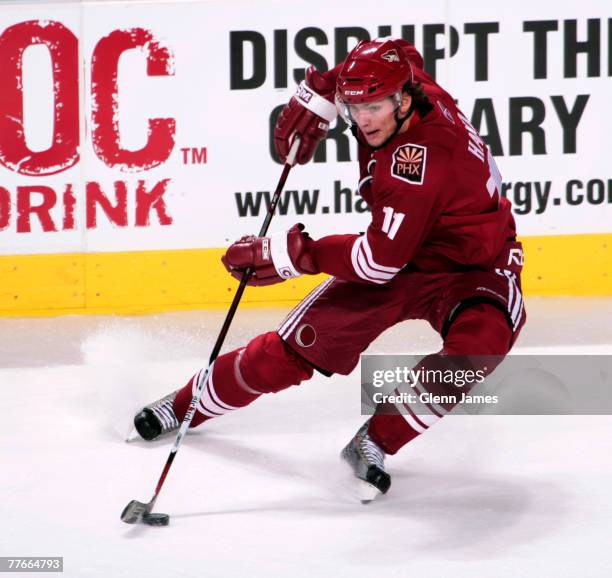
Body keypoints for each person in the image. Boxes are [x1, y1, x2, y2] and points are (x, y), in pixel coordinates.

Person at [133, 38, 526, 501]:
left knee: (478, 347)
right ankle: (183, 406)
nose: (362, 119)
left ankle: (375, 440)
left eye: (375, 106)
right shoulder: (411, 82)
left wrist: (295, 254)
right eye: (354, 105)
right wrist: (321, 89)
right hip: (405, 253)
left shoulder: (416, 164)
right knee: (288, 354)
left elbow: (377, 262)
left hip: (472, 267)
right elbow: (398, 53)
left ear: (402, 99)